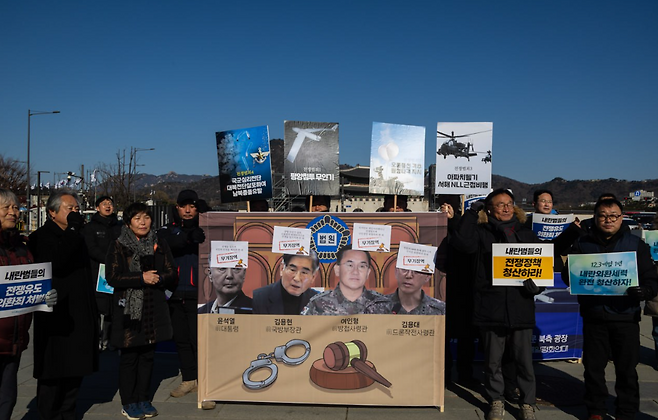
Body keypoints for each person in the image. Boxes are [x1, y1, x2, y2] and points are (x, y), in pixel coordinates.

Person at [447, 188, 542, 420]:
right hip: (490, 306)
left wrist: (537, 285)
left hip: (520, 306)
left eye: (509, 203)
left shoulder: (527, 233)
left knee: (523, 362)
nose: (506, 207)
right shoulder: (481, 233)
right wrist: (471, 213)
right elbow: (462, 243)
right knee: (493, 361)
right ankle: (496, 400)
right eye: (500, 204)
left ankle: (527, 403)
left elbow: (541, 266)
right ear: (489, 209)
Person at [562, 198, 658, 420]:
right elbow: (569, 277)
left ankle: (626, 411)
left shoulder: (636, 245)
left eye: (613, 215)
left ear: (621, 217)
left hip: (625, 317)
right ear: (595, 218)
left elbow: (652, 279)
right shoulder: (583, 244)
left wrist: (645, 291)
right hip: (594, 315)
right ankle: (596, 409)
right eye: (603, 215)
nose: (608, 219)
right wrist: (577, 274)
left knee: (627, 370)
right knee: (593, 368)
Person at [28, 189, 98, 420]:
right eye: (70, 208)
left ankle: (68, 413)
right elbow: (56, 262)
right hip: (55, 314)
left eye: (77, 208)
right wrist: (74, 231)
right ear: (52, 212)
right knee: (53, 372)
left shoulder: (77, 235)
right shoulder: (41, 236)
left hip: (79, 312)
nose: (75, 212)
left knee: (76, 370)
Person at [106, 202, 177, 420]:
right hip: (129, 308)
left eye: (146, 217)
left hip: (153, 306)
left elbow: (172, 272)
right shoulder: (118, 245)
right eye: (137, 218)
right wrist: (140, 278)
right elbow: (113, 277)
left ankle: (144, 398)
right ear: (128, 222)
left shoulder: (160, 243)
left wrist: (158, 278)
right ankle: (129, 402)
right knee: (129, 357)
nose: (143, 222)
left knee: (148, 356)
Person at [0, 189, 57, 419]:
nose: (13, 212)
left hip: (15, 337)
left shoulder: (23, 247)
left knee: (7, 398)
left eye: (15, 207)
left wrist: (44, 295)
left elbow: (31, 284)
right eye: (6, 207)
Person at [157, 190, 208, 399]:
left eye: (193, 206)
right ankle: (188, 379)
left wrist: (208, 215)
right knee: (182, 339)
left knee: (201, 340)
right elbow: (168, 243)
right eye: (183, 206)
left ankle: (205, 382)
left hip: (200, 293)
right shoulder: (168, 229)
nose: (188, 210)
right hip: (175, 292)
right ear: (177, 208)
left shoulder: (206, 228)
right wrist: (188, 236)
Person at [84, 195, 121, 351]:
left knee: (116, 307)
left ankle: (112, 339)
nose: (108, 206)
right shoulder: (90, 227)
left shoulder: (120, 226)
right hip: (97, 274)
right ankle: (99, 339)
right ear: (97, 207)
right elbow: (91, 249)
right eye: (104, 204)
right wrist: (109, 259)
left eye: (110, 204)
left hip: (118, 272)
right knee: (100, 309)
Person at [302, 245, 381, 315]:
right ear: (337, 270)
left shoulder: (383, 305)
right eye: (350, 265)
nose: (355, 272)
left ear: (368, 272)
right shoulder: (317, 304)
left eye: (362, 266)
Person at [253, 251, 320, 315]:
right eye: (292, 270)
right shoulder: (258, 298)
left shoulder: (319, 302)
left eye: (304, 272)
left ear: (313, 277)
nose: (297, 278)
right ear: (282, 268)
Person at [365, 267, 445, 315]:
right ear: (396, 271)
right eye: (404, 269)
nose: (409, 275)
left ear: (427, 277)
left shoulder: (440, 311)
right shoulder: (375, 309)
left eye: (416, 271)